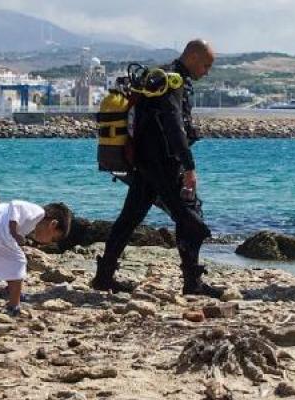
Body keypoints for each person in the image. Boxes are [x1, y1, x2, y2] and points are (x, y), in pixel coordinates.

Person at [90, 39, 223, 298]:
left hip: (143, 162)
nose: (206, 71)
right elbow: (174, 127)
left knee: (129, 218)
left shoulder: (158, 77)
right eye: (206, 65)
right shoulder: (172, 81)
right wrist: (189, 167)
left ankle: (103, 276)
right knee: (192, 219)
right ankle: (192, 282)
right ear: (193, 57)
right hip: (162, 164)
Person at [0, 201, 71, 316]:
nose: (49, 243)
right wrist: (14, 232)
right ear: (53, 224)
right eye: (53, 239)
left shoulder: (30, 222)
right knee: (18, 262)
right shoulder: (38, 212)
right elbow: (16, 205)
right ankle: (13, 305)